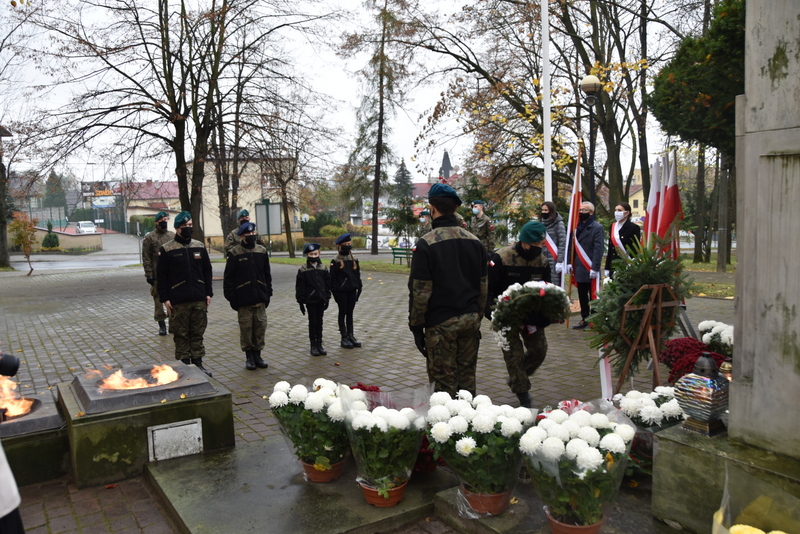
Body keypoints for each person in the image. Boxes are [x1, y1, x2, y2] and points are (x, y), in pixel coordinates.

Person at [408, 183, 488, 396]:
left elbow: (420, 292)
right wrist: (476, 315)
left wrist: (416, 326)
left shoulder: (426, 244)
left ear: (432, 209)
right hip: (470, 320)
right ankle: (469, 417)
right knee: (467, 385)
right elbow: (483, 286)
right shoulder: (475, 242)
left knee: (443, 390)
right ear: (456, 208)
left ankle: (449, 418)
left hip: (440, 324)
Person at [486, 221, 552, 408]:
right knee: (514, 356)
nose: (539, 248)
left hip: (532, 316)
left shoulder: (542, 261)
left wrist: (547, 314)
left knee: (539, 350)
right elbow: (488, 289)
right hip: (505, 315)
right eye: (535, 245)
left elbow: (548, 289)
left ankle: (517, 377)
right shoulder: (501, 258)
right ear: (524, 242)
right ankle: (523, 395)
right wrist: (491, 312)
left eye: (542, 245)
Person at [156, 211, 214, 376]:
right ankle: (184, 368)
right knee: (181, 335)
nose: (188, 228)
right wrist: (165, 298)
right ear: (177, 228)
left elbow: (207, 271)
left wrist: (208, 292)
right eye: (185, 226)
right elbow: (161, 276)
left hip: (198, 298)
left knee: (197, 333)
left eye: (190, 225)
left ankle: (198, 364)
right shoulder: (167, 249)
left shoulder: (199, 246)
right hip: (178, 300)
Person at [223, 221, 272, 371]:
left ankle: (258, 355)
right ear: (242, 236)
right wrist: (232, 298)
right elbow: (229, 278)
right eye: (248, 234)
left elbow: (267, 274)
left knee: (260, 328)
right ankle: (249, 356)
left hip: (260, 298)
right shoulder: (235, 253)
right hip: (243, 300)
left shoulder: (261, 251)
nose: (251, 235)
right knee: (246, 329)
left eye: (253, 233)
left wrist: (268, 293)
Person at [568, 202, 605, 329]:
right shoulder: (575, 227)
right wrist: (569, 262)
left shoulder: (597, 227)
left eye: (584, 210)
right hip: (579, 266)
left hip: (589, 266)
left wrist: (595, 267)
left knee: (593, 295)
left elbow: (598, 249)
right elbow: (571, 247)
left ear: (591, 212)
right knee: (582, 295)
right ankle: (584, 318)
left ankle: (594, 320)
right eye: (580, 210)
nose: (581, 212)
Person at [142, 211, 175, 336]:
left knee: (173, 299)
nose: (163, 222)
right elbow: (146, 257)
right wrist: (148, 274)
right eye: (161, 220)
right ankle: (161, 324)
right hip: (157, 275)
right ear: (156, 222)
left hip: (171, 273)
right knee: (158, 301)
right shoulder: (150, 238)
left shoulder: (172, 236)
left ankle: (173, 323)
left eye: (165, 219)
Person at [296, 243, 331, 356]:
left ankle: (320, 343)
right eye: (311, 254)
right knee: (313, 322)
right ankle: (313, 345)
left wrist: (327, 297)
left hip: (321, 299)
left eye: (315, 254)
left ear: (319, 254)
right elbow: (300, 287)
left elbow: (327, 284)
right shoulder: (303, 270)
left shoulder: (323, 268)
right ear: (307, 255)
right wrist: (301, 301)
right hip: (310, 300)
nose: (313, 256)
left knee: (320, 322)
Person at [329, 233, 363, 349]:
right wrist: (335, 293)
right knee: (342, 313)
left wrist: (359, 288)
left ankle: (351, 335)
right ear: (340, 246)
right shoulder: (335, 260)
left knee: (350, 313)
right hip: (341, 292)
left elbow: (357, 275)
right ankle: (344, 337)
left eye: (349, 244)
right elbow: (332, 279)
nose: (348, 246)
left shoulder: (354, 259)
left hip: (352, 290)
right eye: (345, 244)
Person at [605, 201, 641, 278]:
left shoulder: (634, 228)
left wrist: (632, 263)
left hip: (627, 263)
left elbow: (635, 248)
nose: (616, 212)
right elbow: (610, 249)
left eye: (619, 210)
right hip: (614, 263)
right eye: (615, 210)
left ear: (627, 213)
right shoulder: (613, 226)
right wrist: (607, 267)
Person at [540, 201, 567, 286]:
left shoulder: (559, 224)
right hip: (542, 257)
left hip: (554, 258)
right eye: (542, 210)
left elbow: (562, 243)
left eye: (546, 210)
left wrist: (560, 261)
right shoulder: (541, 223)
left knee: (554, 284)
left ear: (551, 211)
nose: (543, 212)